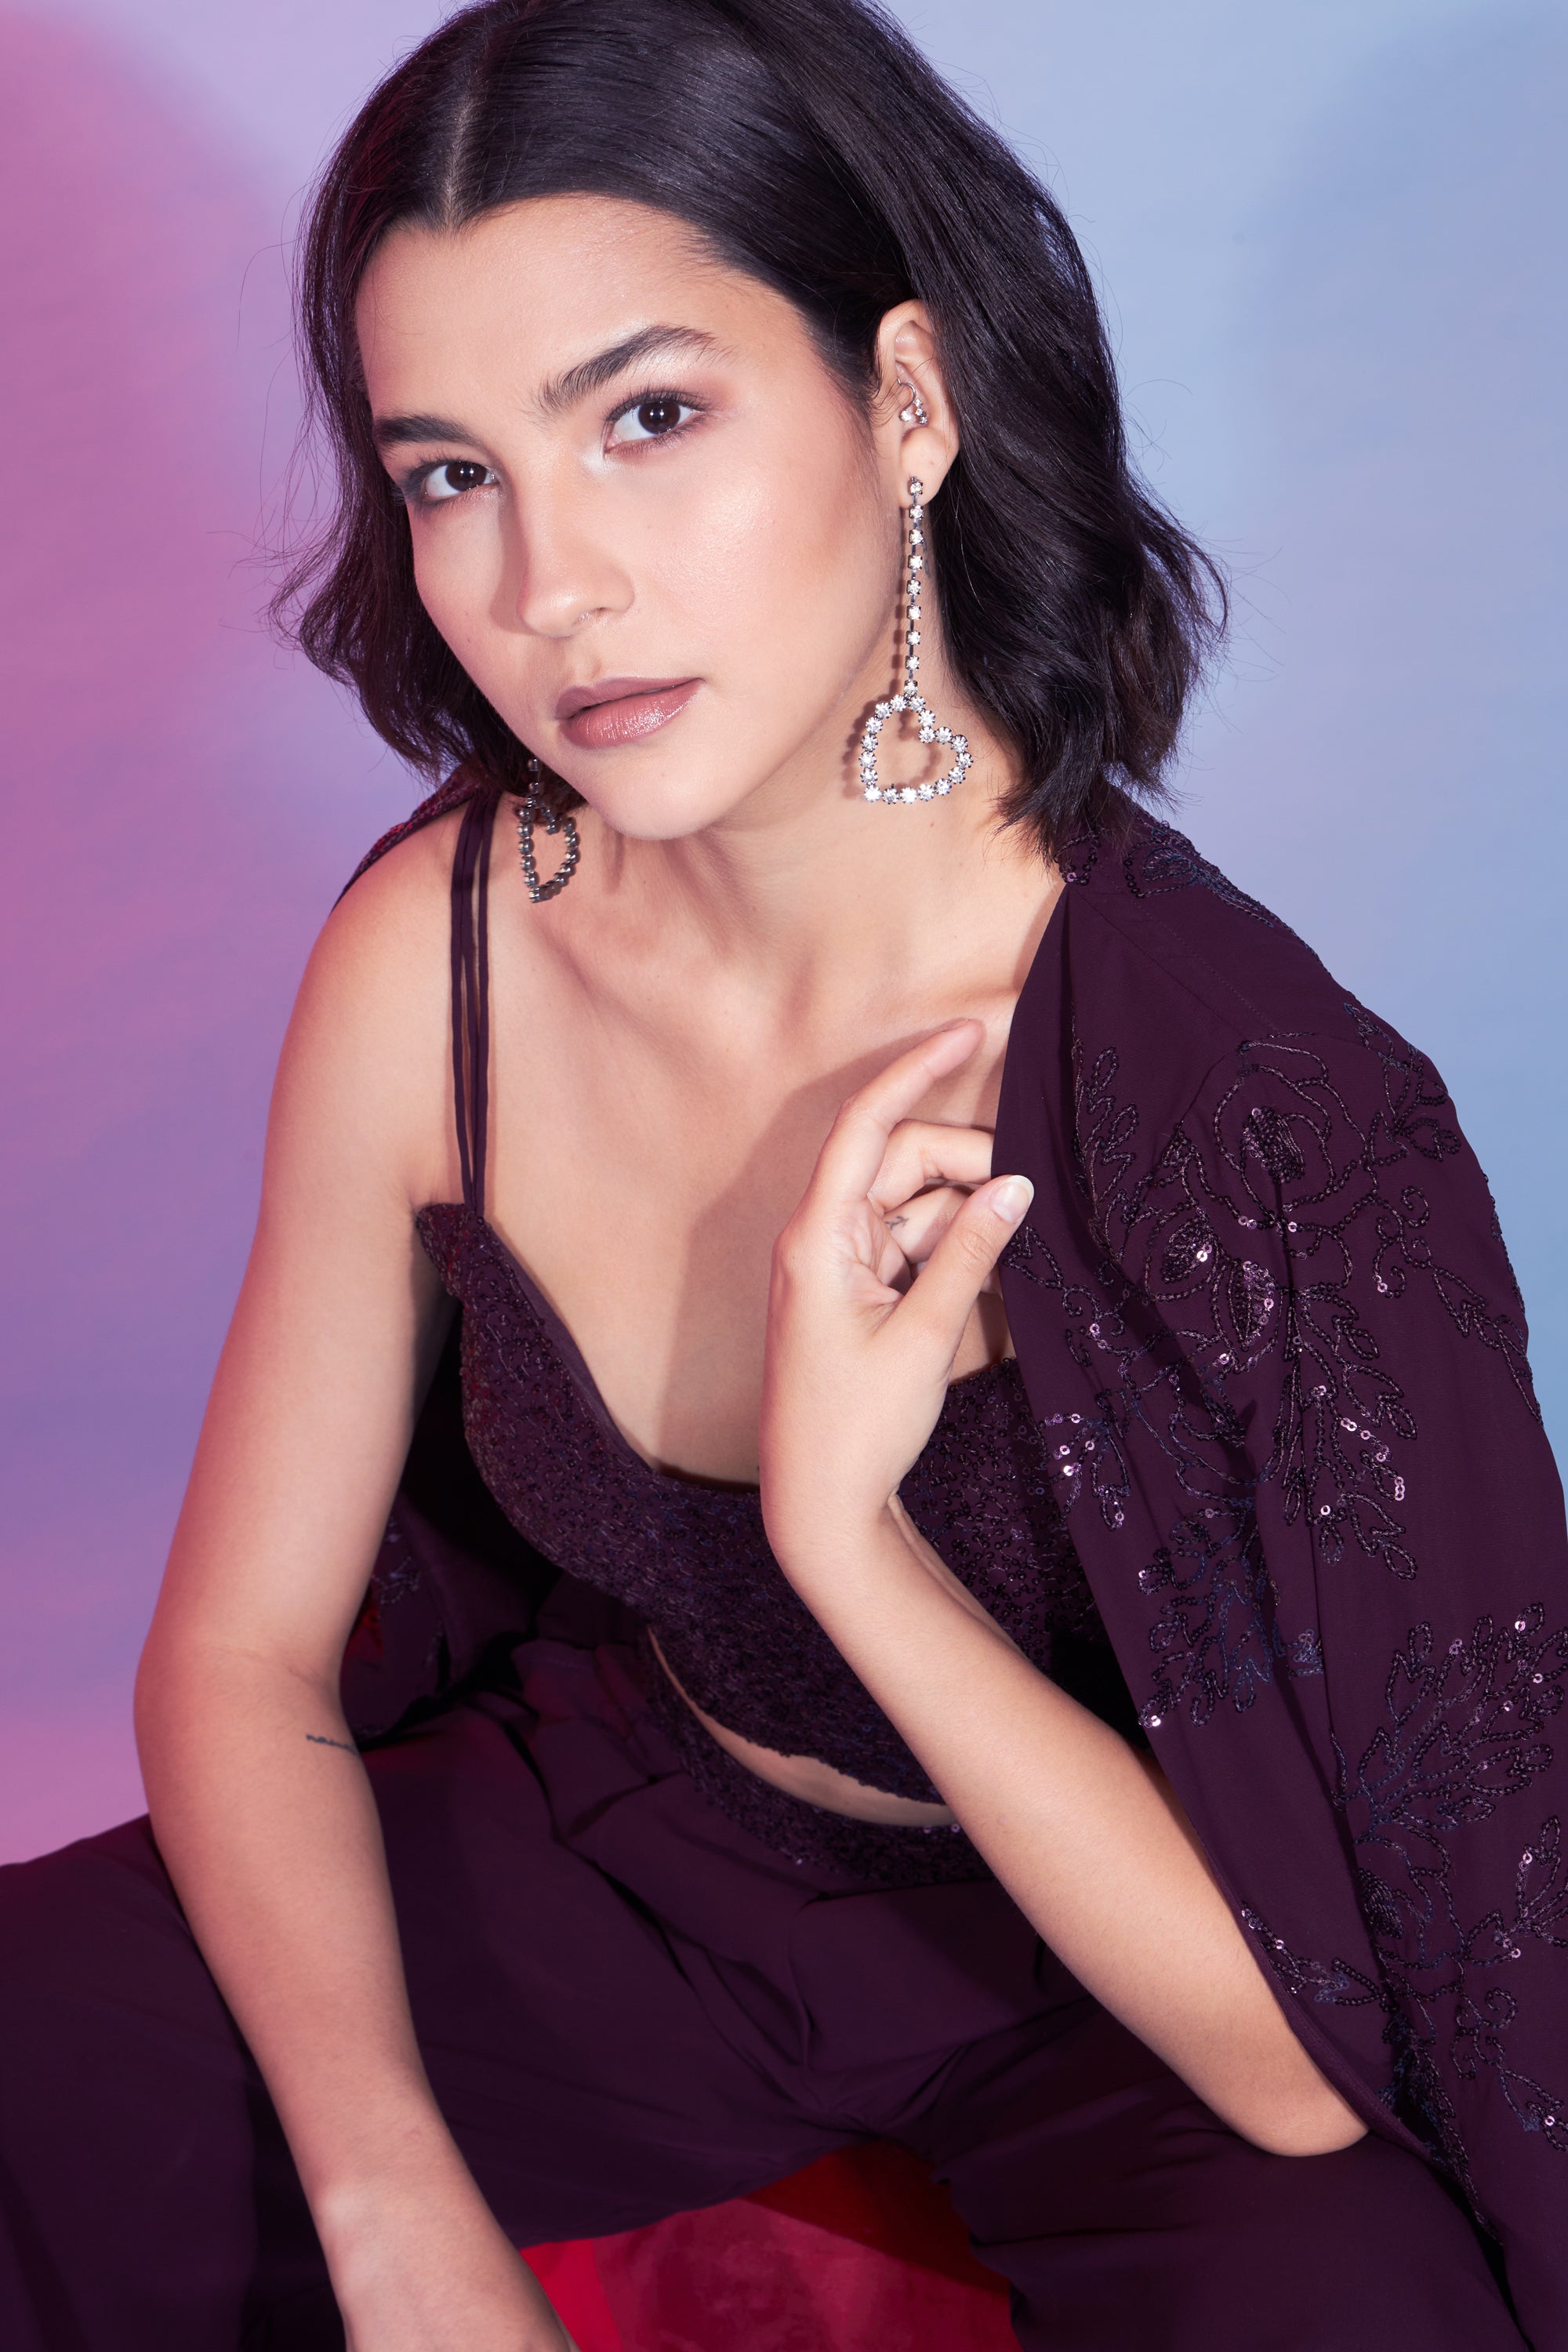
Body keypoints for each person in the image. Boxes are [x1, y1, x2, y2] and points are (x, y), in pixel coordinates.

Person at [2, 1, 1563, 2345]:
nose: (552, 584)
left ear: (907, 401)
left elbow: (1301, 2060)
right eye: (453, 473)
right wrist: (392, 2200)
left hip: (1115, 1978)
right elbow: (242, 1657)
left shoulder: (1252, 1107)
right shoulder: (446, 951)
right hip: (636, 1858)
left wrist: (851, 1537)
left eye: (649, 418)